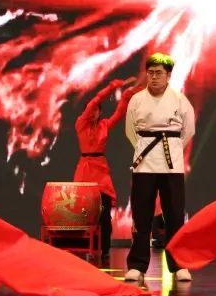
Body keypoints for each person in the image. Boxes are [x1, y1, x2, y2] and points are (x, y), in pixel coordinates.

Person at [124, 52, 195, 283]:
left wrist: (173, 147)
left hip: (171, 163)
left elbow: (188, 131)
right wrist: (143, 147)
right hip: (144, 163)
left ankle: (179, 265)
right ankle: (137, 265)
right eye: (150, 73)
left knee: (174, 215)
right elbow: (130, 131)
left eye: (159, 73)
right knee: (141, 215)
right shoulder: (137, 100)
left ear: (168, 76)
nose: (154, 77)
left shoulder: (180, 100)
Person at [75, 76, 140, 255]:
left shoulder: (104, 125)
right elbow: (94, 101)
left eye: (98, 110)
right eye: (92, 109)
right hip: (86, 170)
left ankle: (104, 250)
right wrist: (112, 87)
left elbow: (119, 113)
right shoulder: (81, 124)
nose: (94, 112)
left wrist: (125, 97)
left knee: (104, 215)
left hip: (100, 170)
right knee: (84, 213)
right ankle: (84, 247)